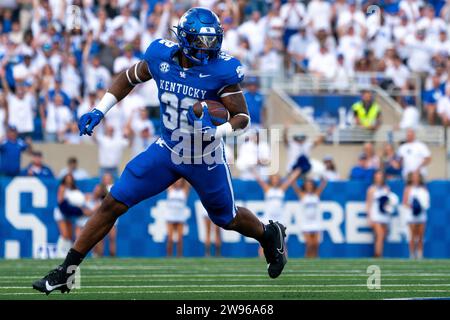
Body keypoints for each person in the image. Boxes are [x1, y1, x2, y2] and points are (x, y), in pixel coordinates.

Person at [33, 8, 288, 295]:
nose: (208, 49)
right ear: (184, 38)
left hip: (204, 155)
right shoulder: (159, 56)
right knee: (112, 203)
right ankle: (66, 272)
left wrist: (216, 131)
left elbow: (242, 118)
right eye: (201, 42)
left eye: (212, 42)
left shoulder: (222, 70)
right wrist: (99, 109)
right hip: (167, 148)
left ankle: (268, 234)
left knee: (226, 218)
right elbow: (129, 77)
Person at [253, 168, 302, 256]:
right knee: (264, 242)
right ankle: (260, 262)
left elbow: (291, 179)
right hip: (268, 218)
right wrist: (252, 168)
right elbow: (259, 179)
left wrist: (298, 170)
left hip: (280, 218)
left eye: (277, 179)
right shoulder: (267, 188)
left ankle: (283, 262)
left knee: (282, 242)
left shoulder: (281, 189)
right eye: (273, 179)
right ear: (271, 180)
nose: (275, 180)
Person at [53, 174, 89, 258]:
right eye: (67, 179)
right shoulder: (62, 187)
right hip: (61, 213)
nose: (69, 181)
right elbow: (61, 203)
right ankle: (59, 253)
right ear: (64, 179)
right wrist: (78, 211)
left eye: (70, 179)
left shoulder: (75, 189)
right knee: (64, 234)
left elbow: (78, 200)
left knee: (69, 235)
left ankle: (67, 254)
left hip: (69, 213)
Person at [291, 178, 327, 258]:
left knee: (316, 244)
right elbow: (294, 186)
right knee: (309, 244)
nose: (309, 186)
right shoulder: (302, 194)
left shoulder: (316, 194)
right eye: (307, 185)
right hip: (306, 222)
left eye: (310, 185)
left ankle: (315, 260)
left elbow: (323, 184)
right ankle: (307, 259)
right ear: (305, 186)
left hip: (316, 222)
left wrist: (322, 176)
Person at [366, 171, 399, 258]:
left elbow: (390, 201)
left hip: (384, 215)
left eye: (380, 176)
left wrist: (390, 208)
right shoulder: (371, 189)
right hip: (375, 215)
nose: (379, 178)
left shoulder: (386, 188)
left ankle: (379, 253)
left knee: (382, 236)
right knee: (380, 235)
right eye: (377, 176)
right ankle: (378, 255)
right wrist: (369, 217)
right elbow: (369, 203)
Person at [403, 172, 430, 259]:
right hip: (411, 215)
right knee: (412, 235)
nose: (415, 178)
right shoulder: (408, 189)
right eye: (414, 177)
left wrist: (421, 206)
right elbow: (405, 202)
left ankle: (420, 254)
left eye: (417, 177)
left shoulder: (423, 189)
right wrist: (413, 206)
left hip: (421, 214)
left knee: (421, 236)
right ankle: (412, 254)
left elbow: (426, 202)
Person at [90, 173, 116, 257]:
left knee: (112, 237)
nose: (107, 180)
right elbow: (94, 197)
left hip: (112, 214)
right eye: (105, 178)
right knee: (100, 237)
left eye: (108, 178)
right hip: (102, 214)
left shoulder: (114, 187)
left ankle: (112, 255)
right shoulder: (99, 187)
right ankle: (99, 255)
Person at [165, 179, 190, 257]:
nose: (178, 182)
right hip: (170, 217)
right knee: (170, 239)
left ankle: (179, 256)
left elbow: (188, 183)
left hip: (180, 217)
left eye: (180, 181)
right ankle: (169, 256)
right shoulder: (170, 189)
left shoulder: (184, 191)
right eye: (177, 181)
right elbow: (166, 179)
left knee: (180, 239)